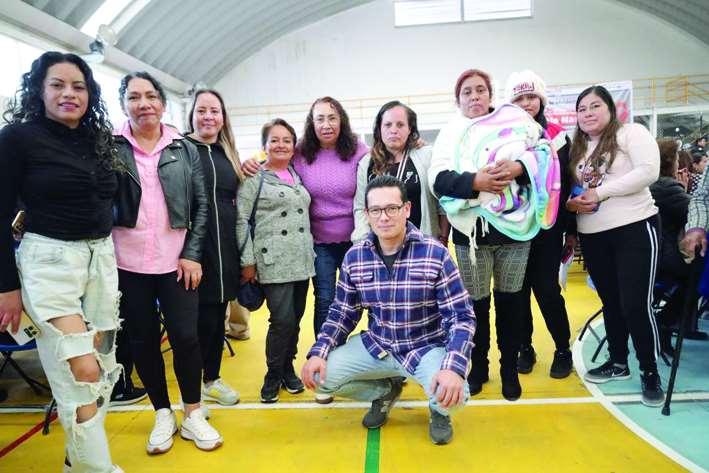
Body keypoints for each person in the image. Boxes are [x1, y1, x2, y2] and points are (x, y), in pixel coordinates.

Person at [0, 51, 123, 472]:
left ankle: (77, 462)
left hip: (101, 259)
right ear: (39, 90)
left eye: (78, 86)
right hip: (49, 262)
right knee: (81, 371)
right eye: (57, 85)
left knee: (102, 368)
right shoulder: (17, 138)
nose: (69, 94)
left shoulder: (97, 139)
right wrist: (6, 286)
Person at [301, 175, 475, 445]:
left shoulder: (435, 253)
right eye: (376, 210)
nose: (384, 217)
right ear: (367, 214)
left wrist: (452, 368)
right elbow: (342, 313)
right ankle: (383, 391)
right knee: (317, 377)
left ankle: (439, 411)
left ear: (407, 209)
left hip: (424, 347)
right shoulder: (355, 257)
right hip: (379, 345)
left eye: (392, 208)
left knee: (457, 393)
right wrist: (319, 352)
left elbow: (460, 317)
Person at [428, 69, 559, 401]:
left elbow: (544, 155)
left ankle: (509, 370)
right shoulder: (450, 132)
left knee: (511, 303)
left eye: (480, 90)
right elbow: (438, 179)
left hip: (514, 231)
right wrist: (476, 182)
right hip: (471, 235)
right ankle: (479, 367)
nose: (474, 96)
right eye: (467, 92)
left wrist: (519, 167)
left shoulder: (515, 122)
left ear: (490, 94)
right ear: (458, 99)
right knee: (475, 306)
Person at [113, 72, 222, 453]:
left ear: (162, 102)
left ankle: (192, 413)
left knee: (186, 338)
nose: (143, 103)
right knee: (142, 340)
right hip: (127, 263)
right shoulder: (110, 146)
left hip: (176, 262)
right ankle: (162, 412)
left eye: (150, 96)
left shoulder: (183, 147)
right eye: (133, 97)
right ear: (124, 104)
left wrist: (192, 253)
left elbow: (201, 204)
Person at [566, 85, 664, 407]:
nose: (588, 113)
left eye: (595, 106)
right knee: (611, 302)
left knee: (635, 303)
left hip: (634, 228)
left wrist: (600, 193)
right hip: (593, 234)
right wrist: (571, 204)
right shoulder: (577, 149)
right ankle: (618, 362)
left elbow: (649, 172)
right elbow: (571, 191)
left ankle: (649, 370)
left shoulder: (630, 133)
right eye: (582, 109)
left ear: (611, 109)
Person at [243, 97, 368, 342]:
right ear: (312, 123)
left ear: (341, 120)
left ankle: (349, 349)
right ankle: (324, 352)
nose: (326, 125)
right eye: (320, 119)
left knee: (357, 298)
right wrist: (249, 163)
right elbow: (274, 159)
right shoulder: (301, 151)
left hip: (354, 241)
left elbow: (384, 154)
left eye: (332, 118)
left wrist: (414, 143)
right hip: (319, 243)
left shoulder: (358, 149)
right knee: (325, 299)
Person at [237, 118, 315, 403]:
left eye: (287, 140)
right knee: (281, 321)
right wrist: (247, 262)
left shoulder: (297, 174)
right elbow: (241, 220)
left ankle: (287, 369)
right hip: (272, 261)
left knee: (295, 320)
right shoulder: (254, 177)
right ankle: (272, 374)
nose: (281, 145)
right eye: (274, 140)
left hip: (301, 259)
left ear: (294, 146)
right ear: (264, 145)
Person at [504, 70, 575, 379]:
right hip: (513, 227)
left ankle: (562, 349)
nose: (526, 103)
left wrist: (570, 230)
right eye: (519, 98)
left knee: (547, 291)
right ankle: (525, 347)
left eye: (531, 96)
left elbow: (568, 184)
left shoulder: (557, 135)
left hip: (548, 227)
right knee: (517, 293)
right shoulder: (503, 136)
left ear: (541, 99)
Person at [185, 89, 242, 406]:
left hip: (225, 247)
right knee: (193, 323)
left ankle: (212, 379)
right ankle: (192, 389)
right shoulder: (181, 149)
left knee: (216, 316)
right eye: (202, 110)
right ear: (192, 114)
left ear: (223, 117)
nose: (208, 116)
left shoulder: (227, 153)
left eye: (214, 111)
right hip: (192, 249)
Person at [352, 100, 449, 244]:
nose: (393, 130)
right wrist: (364, 241)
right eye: (388, 125)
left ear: (410, 129)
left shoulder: (426, 156)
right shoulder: (366, 163)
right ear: (379, 129)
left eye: (400, 125)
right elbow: (361, 207)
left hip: (422, 243)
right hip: (381, 246)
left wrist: (443, 238)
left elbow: (442, 202)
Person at [650, 139, 691, 356]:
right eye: (676, 158)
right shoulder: (666, 186)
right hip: (663, 258)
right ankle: (665, 321)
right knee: (697, 280)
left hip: (655, 255)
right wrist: (684, 188)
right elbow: (693, 212)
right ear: (669, 161)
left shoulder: (656, 184)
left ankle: (671, 323)